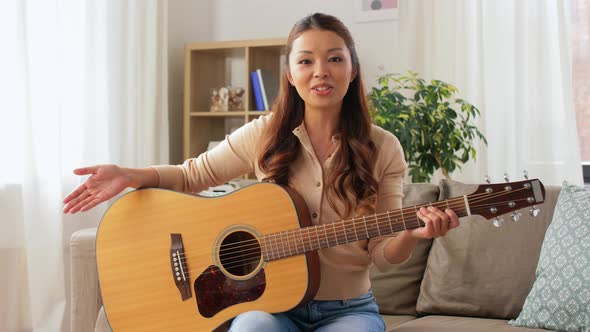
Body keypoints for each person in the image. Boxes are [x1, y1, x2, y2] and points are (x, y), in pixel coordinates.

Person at [63, 13, 460, 332]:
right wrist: (130, 175)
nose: (321, 71)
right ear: (290, 73)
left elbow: (383, 253)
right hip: (270, 305)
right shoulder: (264, 134)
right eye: (306, 60)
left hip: (348, 310)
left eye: (335, 58)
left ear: (353, 70)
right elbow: (191, 175)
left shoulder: (384, 147)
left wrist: (411, 231)